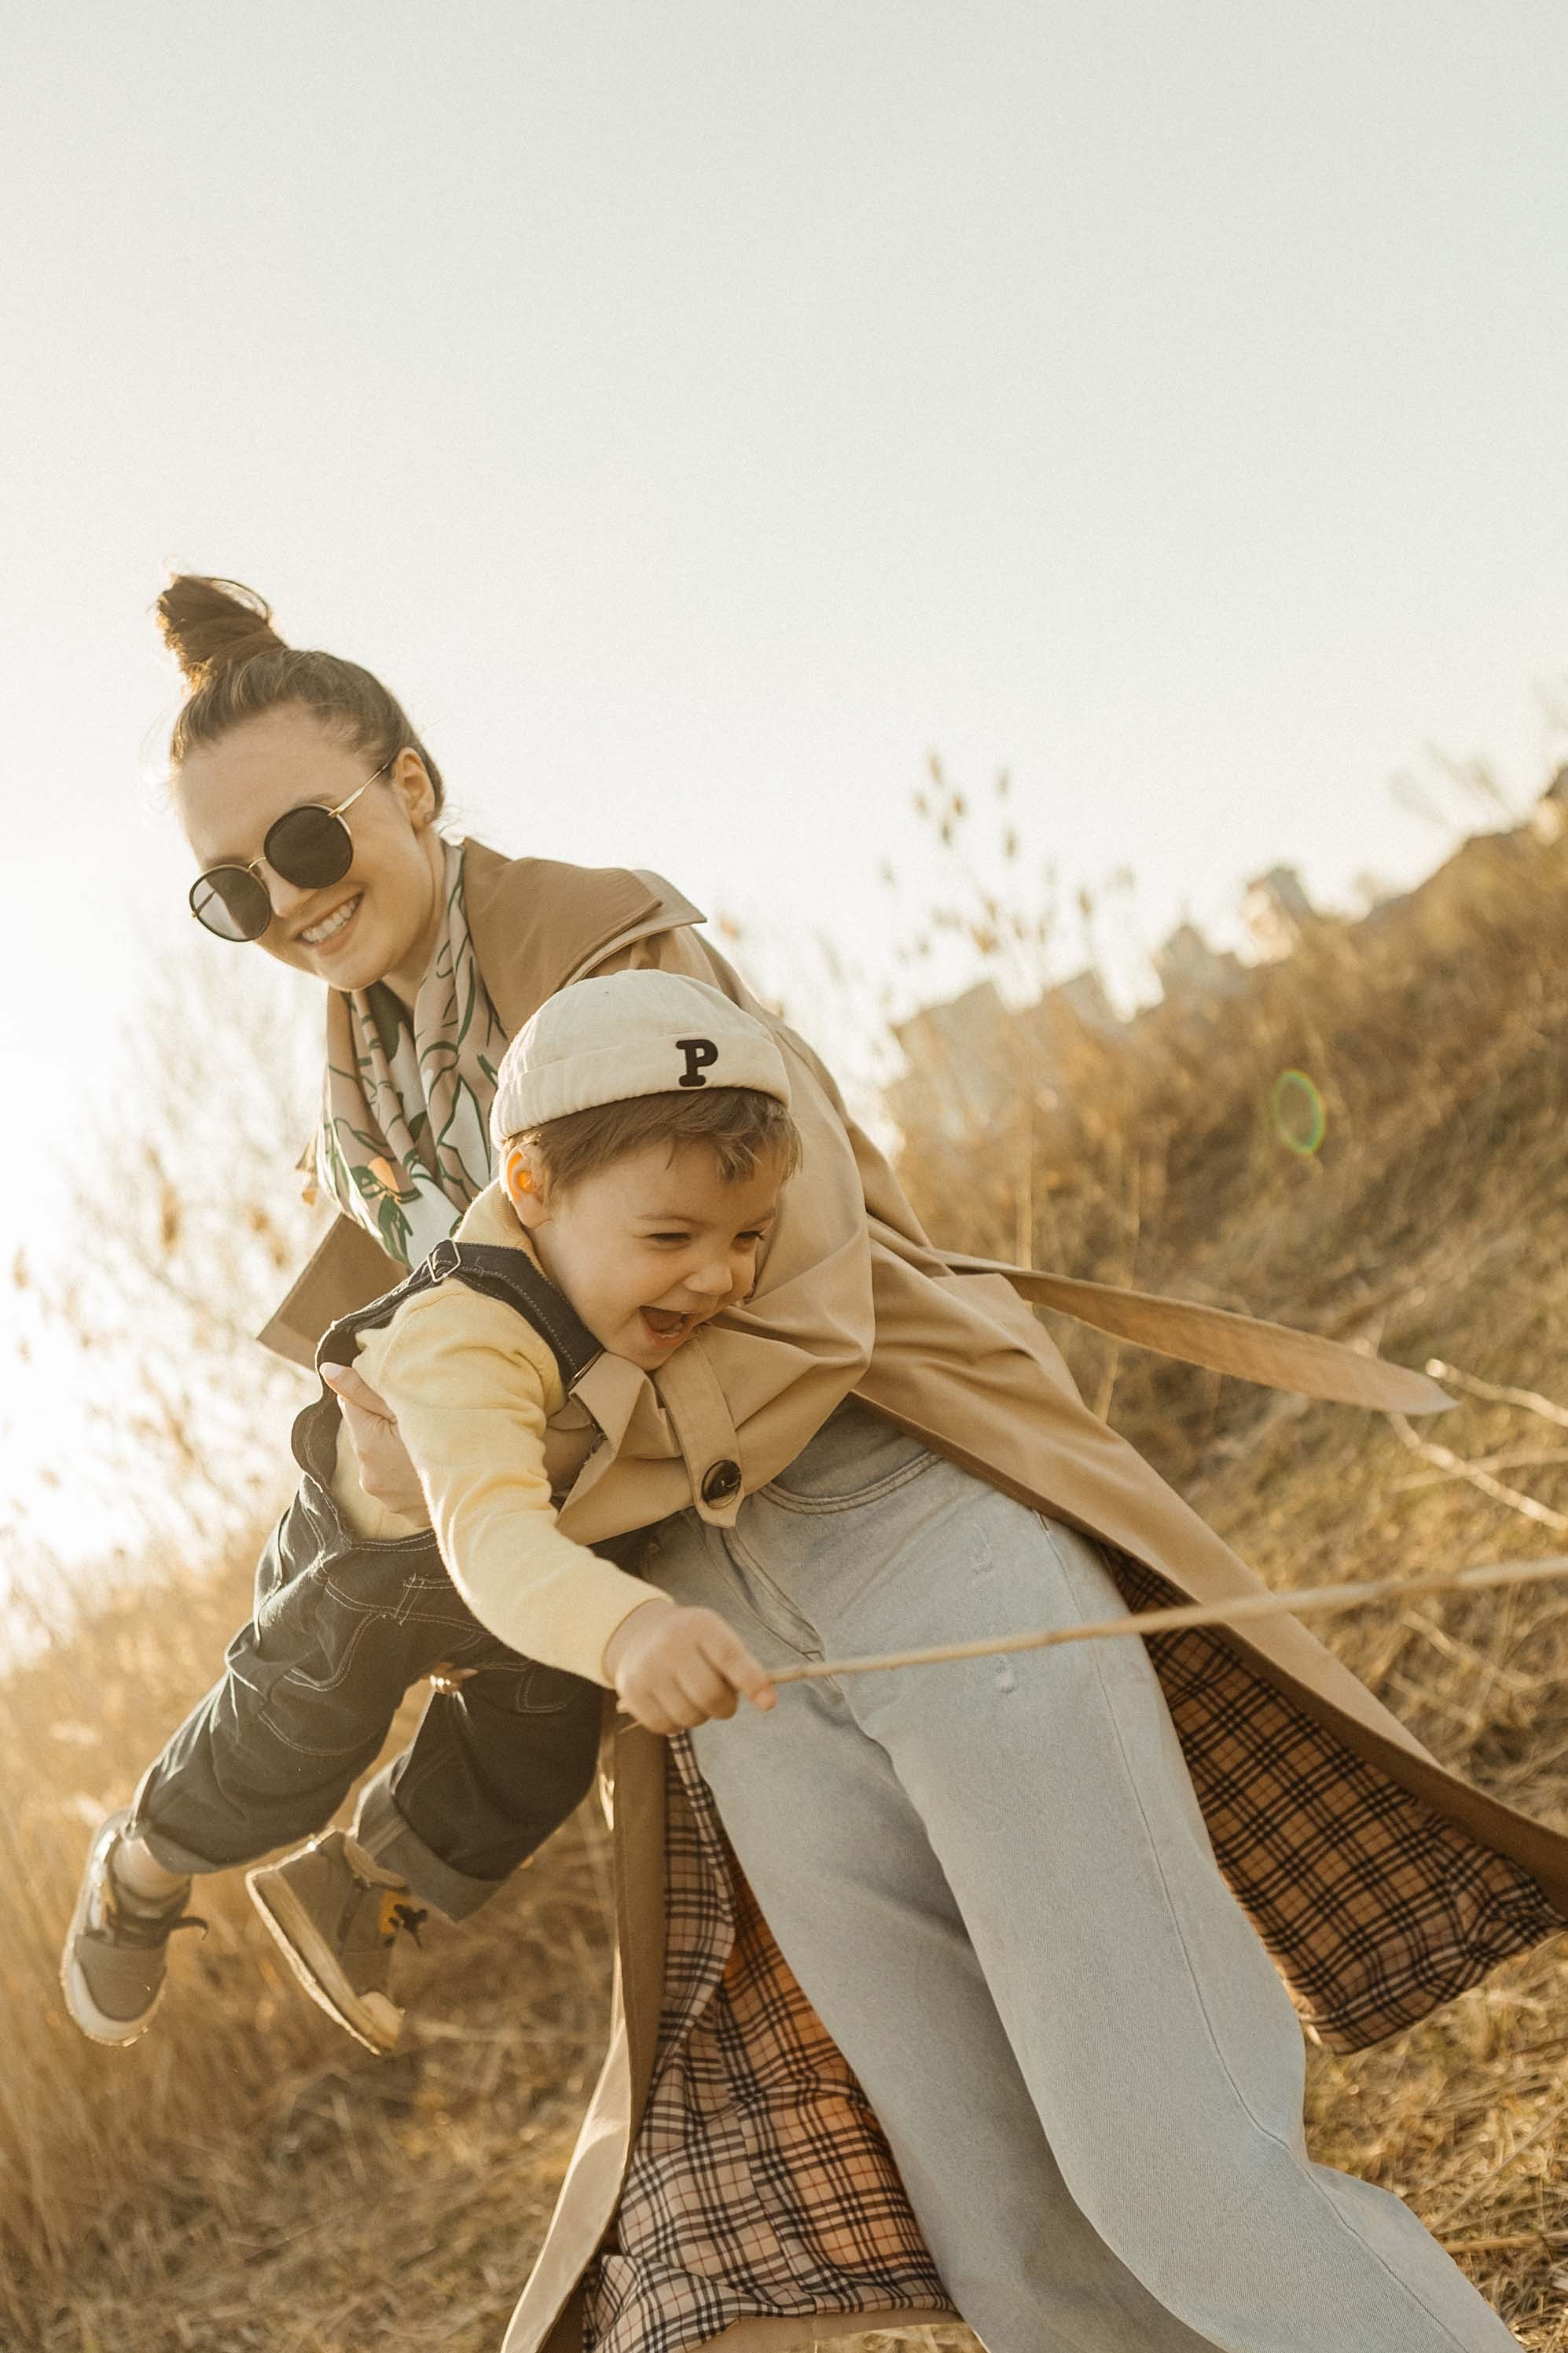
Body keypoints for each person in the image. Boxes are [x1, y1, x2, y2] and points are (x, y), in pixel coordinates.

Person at [66, 576, 1568, 2351]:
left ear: (413, 783)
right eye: (228, 889)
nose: (286, 898)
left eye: (307, 834)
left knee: (1174, 2163)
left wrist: (506, 1450)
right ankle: (243, 1849)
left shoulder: (614, 954)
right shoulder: (367, 1096)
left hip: (893, 1519)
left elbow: (779, 1283)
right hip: (718, 1649)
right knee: (1002, 2226)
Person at [61, 971, 794, 2053]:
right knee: (280, 1765)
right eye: (674, 1237)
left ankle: (358, 1888)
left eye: (747, 1238)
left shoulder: (604, 1280)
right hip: (372, 1573)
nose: (719, 1276)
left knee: (538, 1762)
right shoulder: (473, 1333)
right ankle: (139, 1863)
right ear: (532, 1186)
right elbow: (491, 1536)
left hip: (511, 1578)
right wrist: (631, 1624)